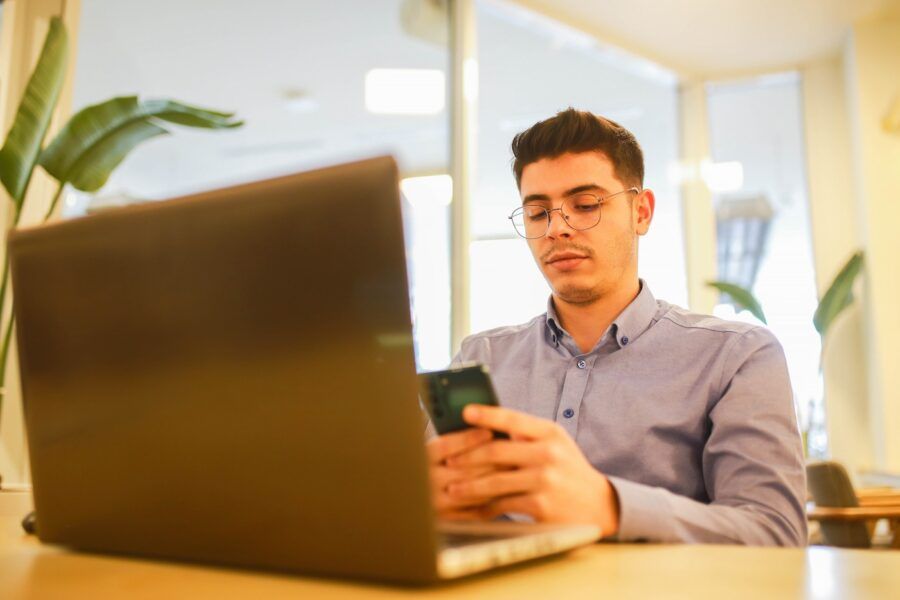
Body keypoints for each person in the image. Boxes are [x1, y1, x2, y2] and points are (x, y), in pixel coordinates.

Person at [426, 108, 807, 546]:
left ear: (641, 212)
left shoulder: (736, 356)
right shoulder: (481, 358)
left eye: (584, 205)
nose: (557, 229)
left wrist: (611, 506)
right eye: (537, 213)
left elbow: (775, 534)